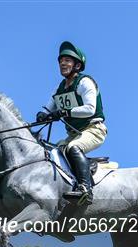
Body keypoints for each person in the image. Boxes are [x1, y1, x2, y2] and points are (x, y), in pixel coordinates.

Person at [37, 41, 107, 205]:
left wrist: (65, 112)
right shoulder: (59, 88)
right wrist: (42, 115)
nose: (62, 63)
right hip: (74, 134)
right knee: (53, 152)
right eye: (61, 60)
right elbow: (48, 108)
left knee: (73, 148)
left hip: (94, 129)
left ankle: (85, 190)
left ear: (77, 65)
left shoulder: (85, 82)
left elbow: (90, 108)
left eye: (67, 60)